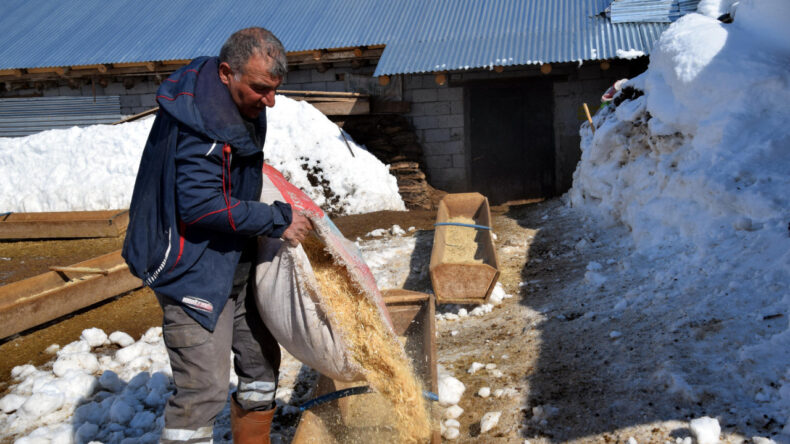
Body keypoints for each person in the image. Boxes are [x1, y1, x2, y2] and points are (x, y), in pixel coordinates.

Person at [122, 27, 312, 444]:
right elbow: (201, 204)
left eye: (275, 90)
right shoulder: (200, 123)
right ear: (227, 73)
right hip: (189, 263)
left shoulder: (237, 101)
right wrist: (276, 219)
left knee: (261, 369)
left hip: (232, 256)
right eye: (262, 89)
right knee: (203, 389)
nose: (271, 101)